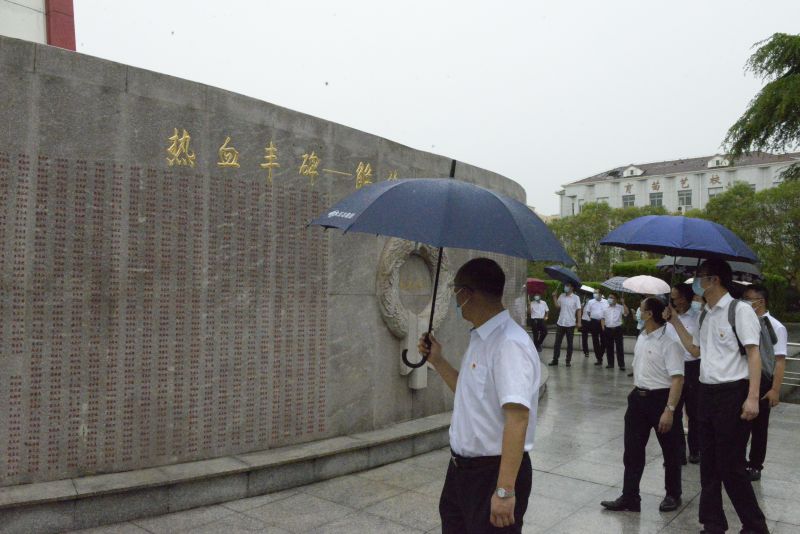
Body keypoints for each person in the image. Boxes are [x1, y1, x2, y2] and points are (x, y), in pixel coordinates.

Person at [418, 258, 540, 533]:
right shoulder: (481, 337)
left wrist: (504, 491)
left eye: (455, 292)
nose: (455, 299)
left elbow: (518, 418)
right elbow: (469, 392)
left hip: (492, 474)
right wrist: (437, 360)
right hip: (461, 473)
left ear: (467, 294)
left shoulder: (509, 344)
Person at [667, 259, 769, 534]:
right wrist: (674, 321)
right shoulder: (705, 315)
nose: (696, 283)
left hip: (732, 394)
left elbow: (754, 354)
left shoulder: (739, 311)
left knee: (731, 465)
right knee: (709, 466)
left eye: (700, 277)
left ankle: (755, 527)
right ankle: (712, 524)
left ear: (715, 280)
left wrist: (752, 398)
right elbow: (695, 350)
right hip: (706, 393)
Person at [601, 297, 684, 513]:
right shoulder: (642, 337)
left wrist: (669, 410)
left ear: (649, 314)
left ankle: (673, 494)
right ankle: (630, 497)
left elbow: (677, 379)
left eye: (641, 309)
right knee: (632, 451)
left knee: (671, 451)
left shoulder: (669, 342)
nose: (637, 312)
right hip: (638, 399)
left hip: (661, 399)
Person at [742, 284, 788, 482]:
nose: (744, 302)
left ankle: (755, 465)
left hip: (763, 381)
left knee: (759, 427)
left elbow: (780, 360)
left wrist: (775, 389)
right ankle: (738, 462)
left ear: (760, 301)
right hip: (743, 379)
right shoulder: (744, 322)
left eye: (748, 298)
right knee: (740, 424)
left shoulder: (775, 326)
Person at [666, 283, 701, 465]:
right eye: (672, 297)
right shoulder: (667, 317)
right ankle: (678, 452)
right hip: (674, 368)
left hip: (692, 367)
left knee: (694, 411)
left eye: (677, 297)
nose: (674, 301)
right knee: (674, 409)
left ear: (686, 298)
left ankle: (695, 449)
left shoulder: (697, 317)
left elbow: (696, 348)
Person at [549, 283, 582, 367]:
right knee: (557, 343)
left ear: (572, 288)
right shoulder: (561, 296)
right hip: (560, 323)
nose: (566, 287)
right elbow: (557, 306)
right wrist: (554, 297)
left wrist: (579, 322)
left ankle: (568, 361)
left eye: (568, 286)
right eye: (565, 285)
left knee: (570, 343)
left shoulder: (576, 298)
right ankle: (555, 360)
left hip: (570, 323)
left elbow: (578, 310)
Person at [600, 292, 629, 369]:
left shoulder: (620, 307)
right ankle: (610, 364)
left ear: (616, 299)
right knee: (609, 347)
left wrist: (623, 303)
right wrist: (603, 327)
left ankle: (621, 365)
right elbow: (602, 318)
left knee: (619, 347)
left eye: (612, 297)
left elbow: (626, 313)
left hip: (618, 329)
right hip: (608, 329)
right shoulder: (605, 307)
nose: (610, 299)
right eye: (609, 297)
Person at [585, 290, 609, 365]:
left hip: (603, 322)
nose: (595, 294)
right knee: (595, 340)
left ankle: (600, 354)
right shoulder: (590, 302)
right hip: (594, 322)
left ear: (601, 294)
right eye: (594, 292)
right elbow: (588, 312)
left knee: (604, 340)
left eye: (596, 293)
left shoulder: (606, 302)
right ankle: (599, 358)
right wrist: (593, 317)